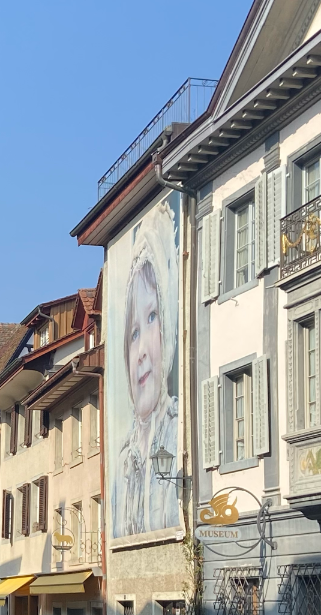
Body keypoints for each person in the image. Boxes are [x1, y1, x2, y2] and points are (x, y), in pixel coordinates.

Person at [112, 198, 181, 539]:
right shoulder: (123, 460)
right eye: (133, 332)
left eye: (152, 317)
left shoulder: (177, 430)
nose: (140, 352)